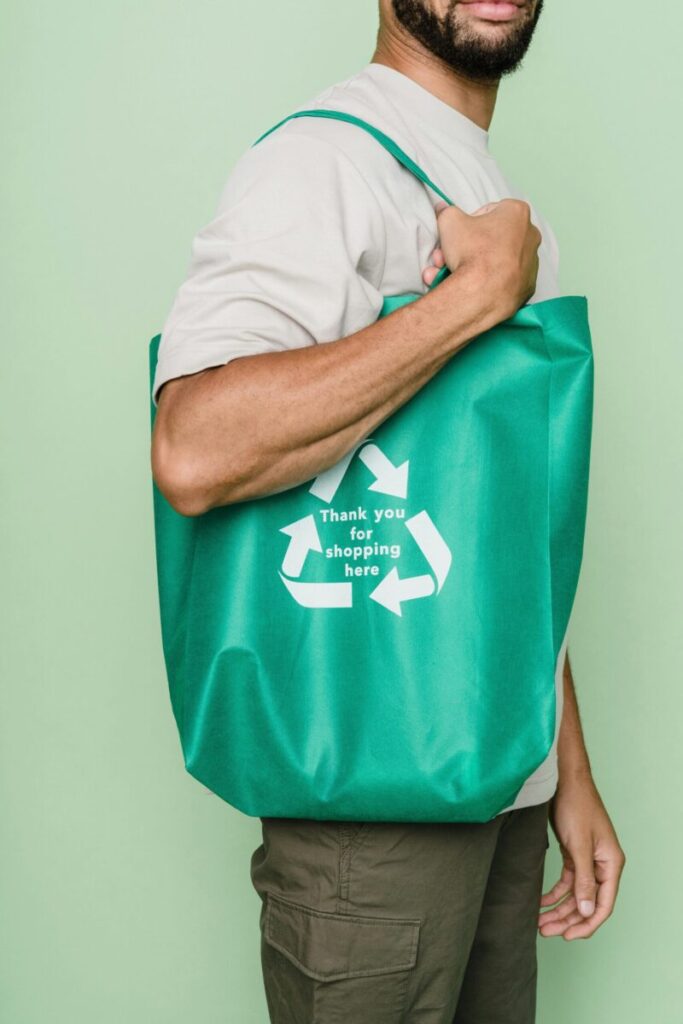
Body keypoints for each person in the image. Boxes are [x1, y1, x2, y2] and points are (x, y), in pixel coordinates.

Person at [150, 1, 626, 1020]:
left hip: (503, 781)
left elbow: (503, 531)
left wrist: (565, 773)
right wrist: (474, 295)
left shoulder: (488, 191)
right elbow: (192, 449)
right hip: (369, 799)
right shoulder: (324, 164)